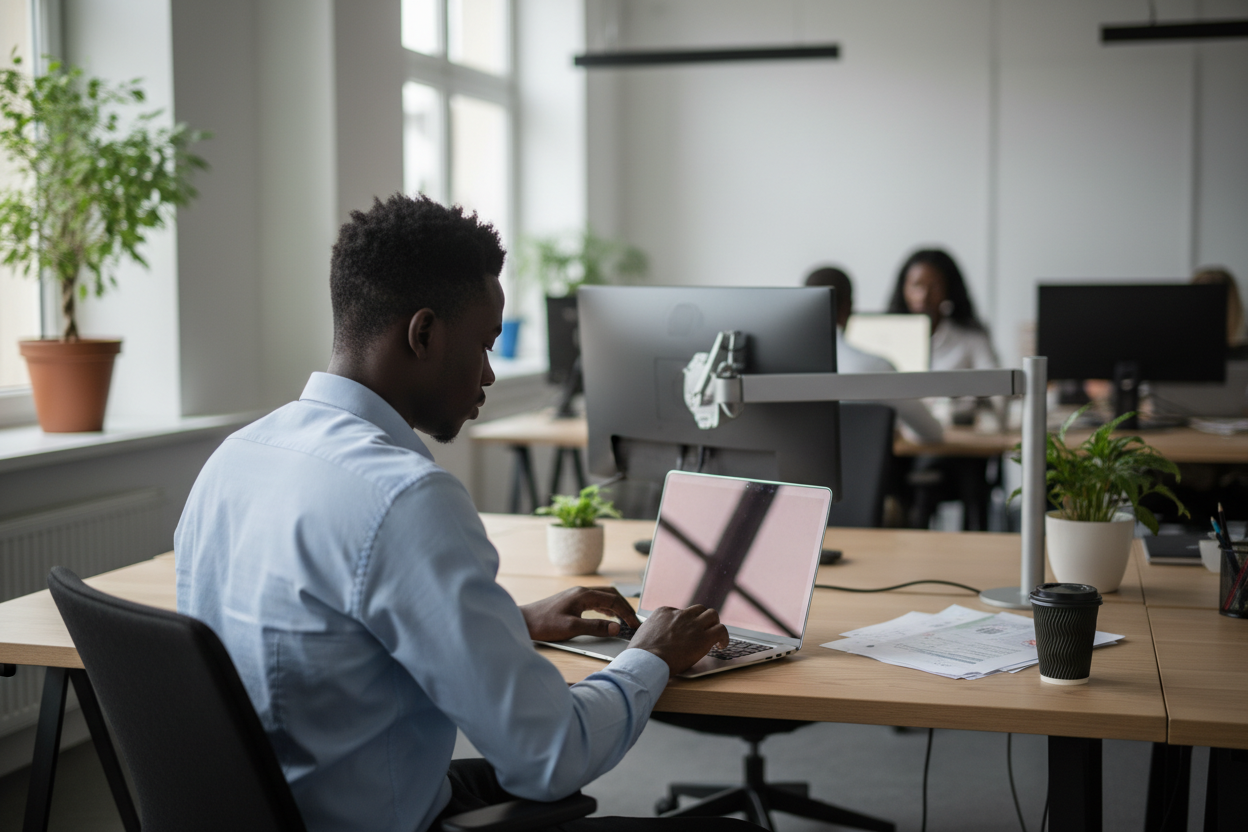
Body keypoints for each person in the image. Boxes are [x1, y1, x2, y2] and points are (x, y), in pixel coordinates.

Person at [174, 194, 751, 832]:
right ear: (423, 335)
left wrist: (508, 622)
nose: (489, 372)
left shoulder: (237, 457)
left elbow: (317, 635)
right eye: (484, 344)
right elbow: (549, 757)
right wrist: (652, 656)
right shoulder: (403, 494)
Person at [886, 249, 999, 529]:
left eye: (932, 286)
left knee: (965, 472)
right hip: (900, 447)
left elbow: (998, 390)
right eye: (916, 286)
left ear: (949, 289)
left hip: (954, 447)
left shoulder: (970, 338)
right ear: (903, 289)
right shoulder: (885, 337)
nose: (923, 296)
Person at [804, 266, 943, 444]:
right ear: (849, 306)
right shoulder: (878, 368)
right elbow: (931, 432)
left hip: (794, 471)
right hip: (863, 470)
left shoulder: (782, 367)